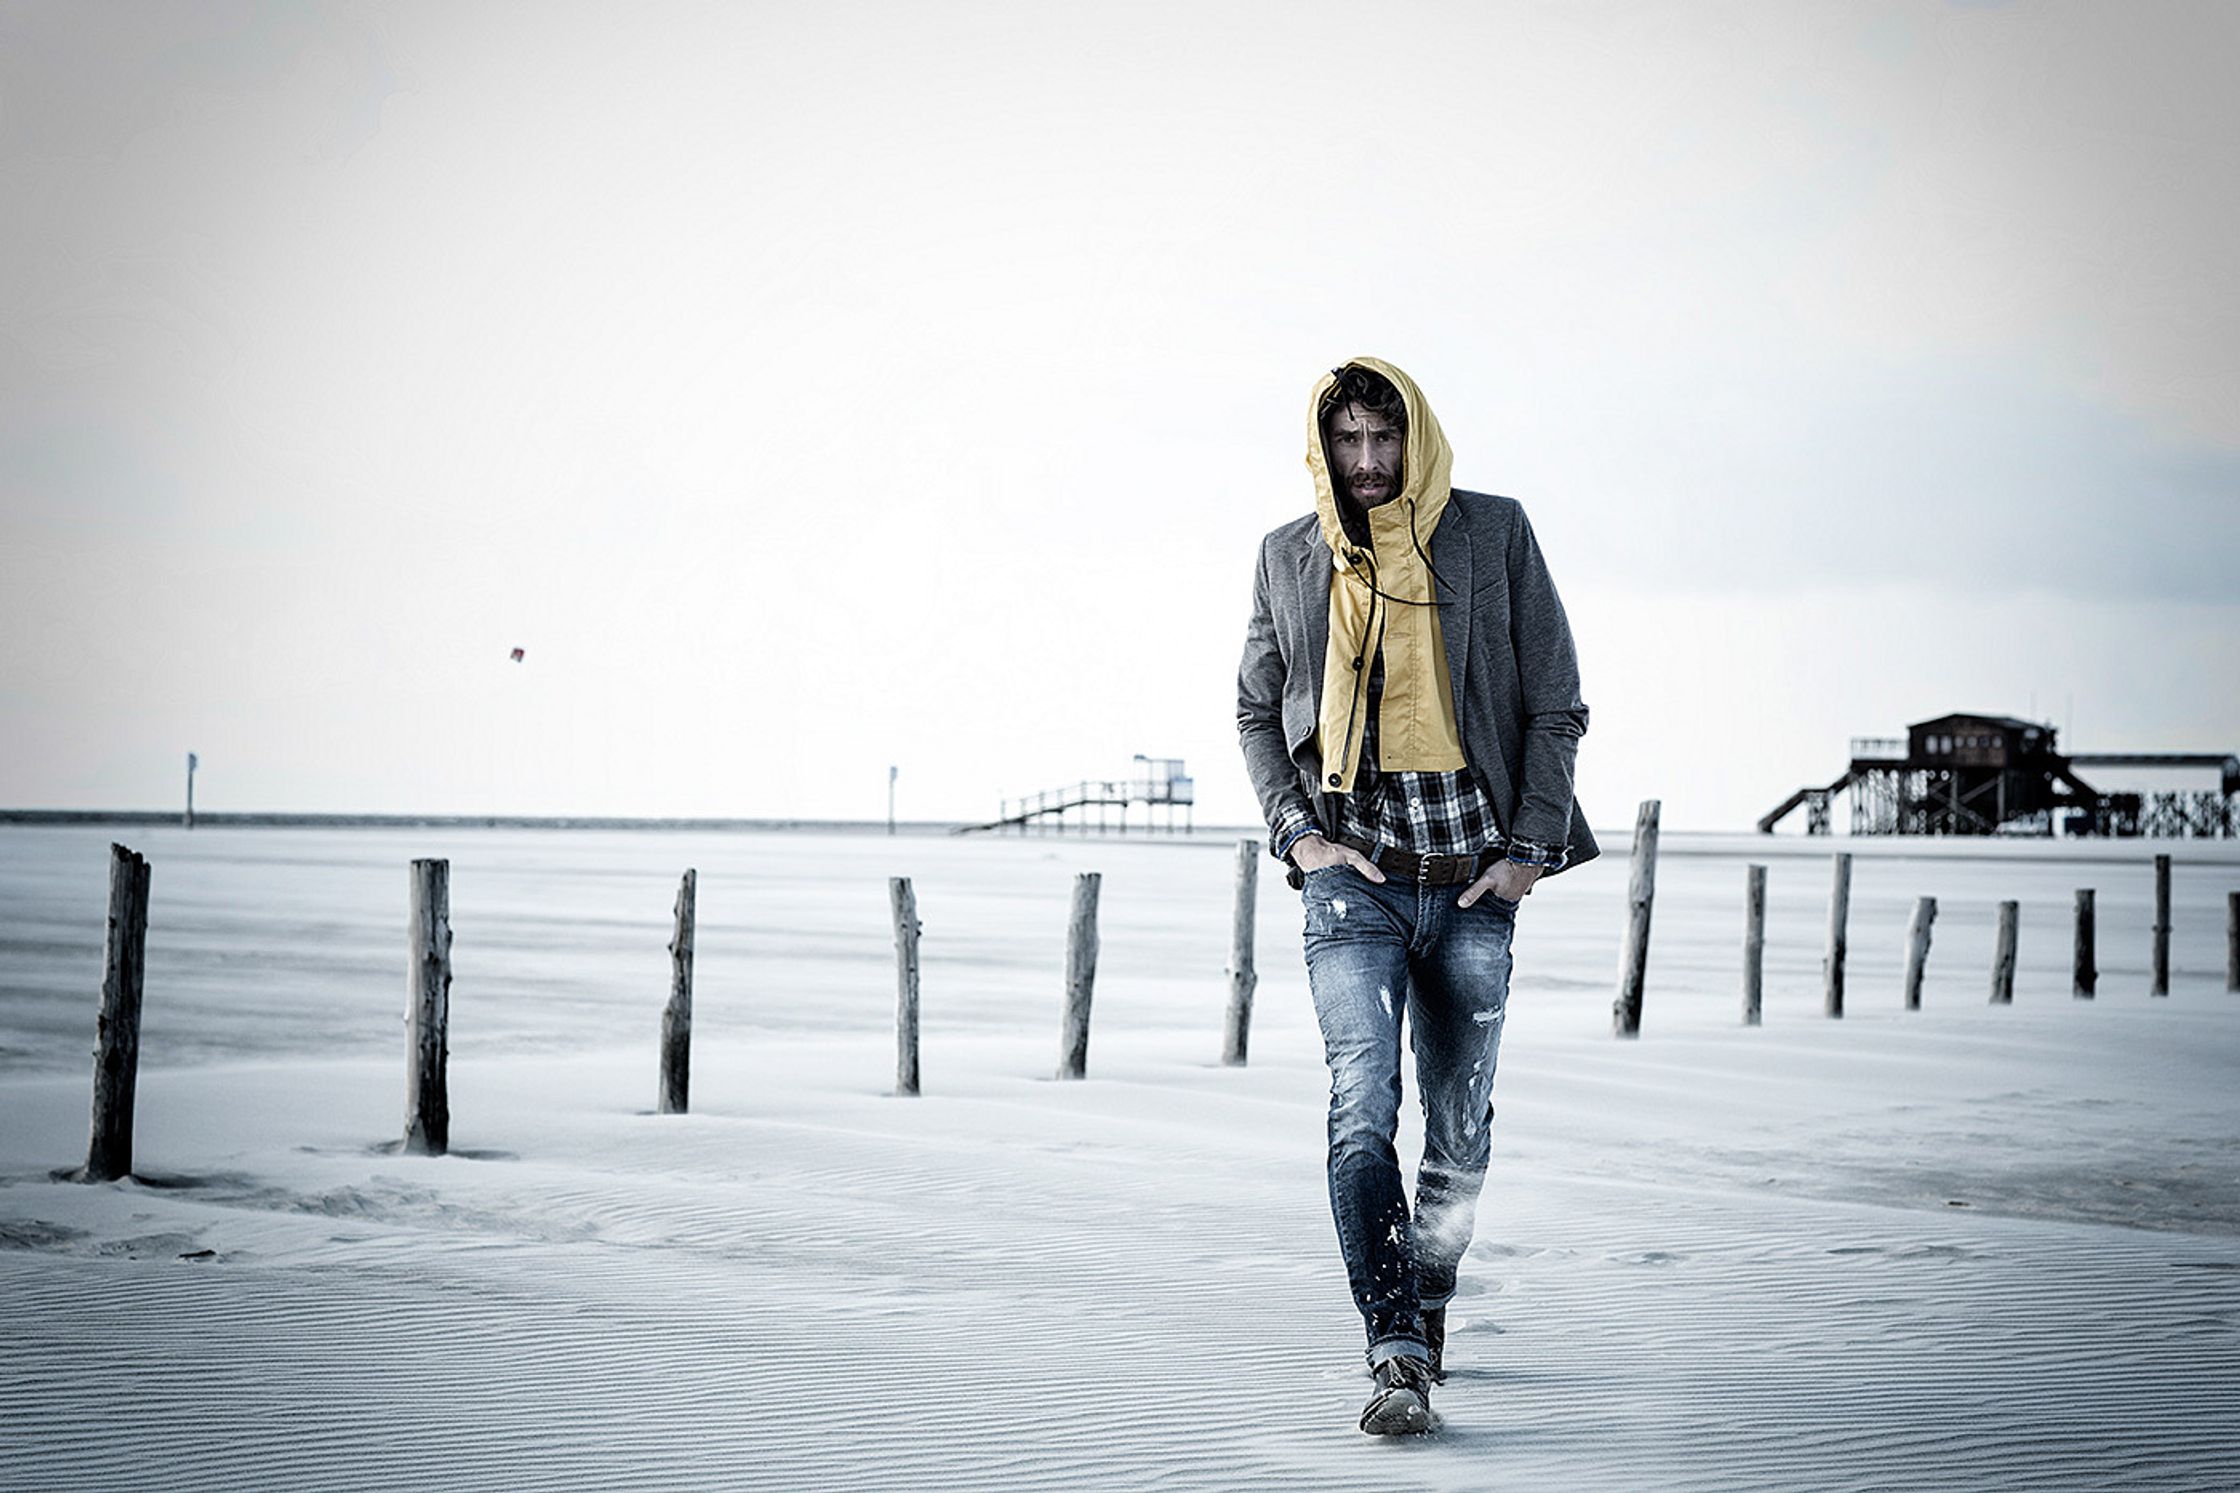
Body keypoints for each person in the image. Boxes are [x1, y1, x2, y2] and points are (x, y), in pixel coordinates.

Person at [1235, 357, 1595, 1435]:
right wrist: (1297, 835)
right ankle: (1391, 1345)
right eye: (1344, 439)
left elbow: (1556, 704)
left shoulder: (1492, 533)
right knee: (1360, 1110)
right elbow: (1255, 712)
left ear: (1415, 437)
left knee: (1459, 1131)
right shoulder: (1288, 558)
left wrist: (1528, 848)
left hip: (1475, 883)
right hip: (1353, 888)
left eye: (1381, 438)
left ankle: (1429, 1295)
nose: (1365, 462)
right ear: (1321, 445)